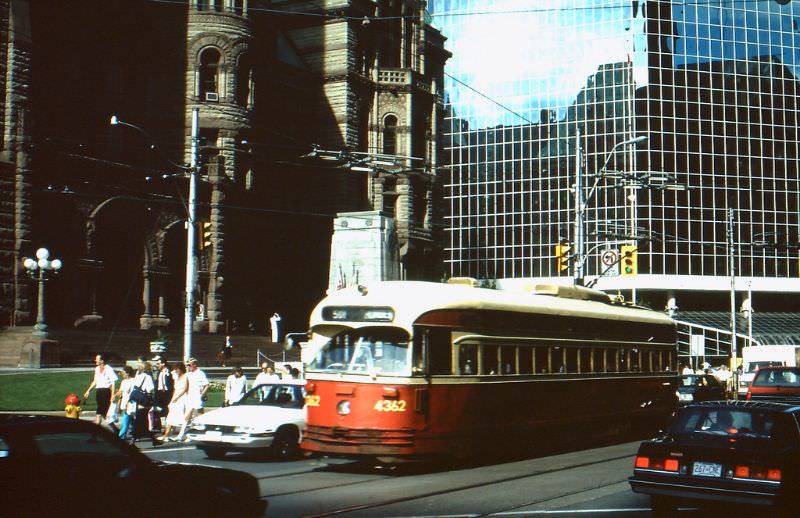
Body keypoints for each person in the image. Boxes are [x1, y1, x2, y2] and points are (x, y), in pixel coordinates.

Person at [176, 358, 209, 442]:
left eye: (189, 365)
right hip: (190, 397)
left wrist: (202, 394)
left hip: (198, 398)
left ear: (195, 364)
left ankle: (201, 434)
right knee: (187, 417)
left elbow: (207, 385)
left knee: (200, 417)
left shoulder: (200, 373)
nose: (188, 367)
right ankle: (180, 436)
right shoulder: (189, 374)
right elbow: (186, 386)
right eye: (187, 365)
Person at [84, 353, 118, 426]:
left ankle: (97, 428)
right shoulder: (97, 369)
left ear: (102, 361)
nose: (95, 360)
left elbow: (113, 383)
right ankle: (115, 430)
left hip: (106, 392)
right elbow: (95, 381)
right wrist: (88, 390)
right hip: (99, 392)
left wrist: (112, 395)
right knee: (103, 413)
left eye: (97, 359)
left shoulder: (109, 369)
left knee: (100, 412)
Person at [130, 360, 157, 447]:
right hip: (145, 401)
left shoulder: (137, 376)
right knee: (142, 422)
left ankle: (135, 439)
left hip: (138, 401)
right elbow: (150, 389)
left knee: (141, 421)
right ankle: (134, 439)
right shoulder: (148, 377)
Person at [161, 362, 188, 441]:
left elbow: (185, 389)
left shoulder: (186, 376)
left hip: (183, 398)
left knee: (182, 417)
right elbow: (175, 389)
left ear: (181, 369)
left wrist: (178, 397)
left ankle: (183, 434)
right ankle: (166, 434)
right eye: (175, 369)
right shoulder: (177, 377)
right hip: (176, 398)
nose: (176, 371)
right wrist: (172, 399)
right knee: (170, 417)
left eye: (177, 369)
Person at [115, 366, 136, 440]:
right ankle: (135, 434)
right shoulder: (123, 381)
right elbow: (121, 392)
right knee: (132, 421)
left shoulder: (134, 381)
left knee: (125, 421)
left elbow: (135, 392)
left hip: (131, 404)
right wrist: (114, 395)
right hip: (125, 404)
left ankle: (121, 437)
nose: (122, 374)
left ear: (127, 373)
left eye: (123, 372)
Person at [153, 356, 174, 427]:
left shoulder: (169, 372)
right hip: (159, 393)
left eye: (158, 364)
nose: (157, 365)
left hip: (167, 393)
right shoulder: (159, 372)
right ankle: (160, 425)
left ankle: (168, 425)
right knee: (159, 409)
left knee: (166, 409)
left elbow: (171, 383)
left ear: (163, 364)